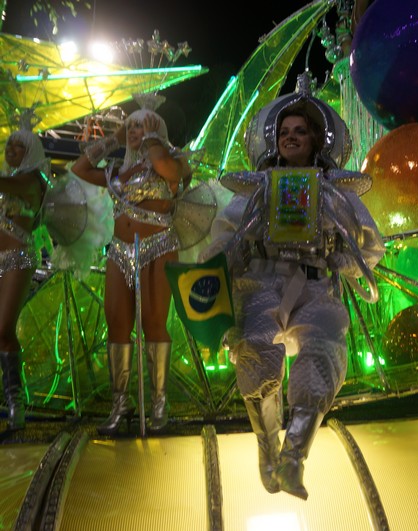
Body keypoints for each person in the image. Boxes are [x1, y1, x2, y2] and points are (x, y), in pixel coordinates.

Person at [201, 75, 385, 500]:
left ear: (316, 138)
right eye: (284, 131)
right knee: (255, 354)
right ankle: (268, 448)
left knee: (322, 352)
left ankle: (293, 458)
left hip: (316, 286)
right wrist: (217, 279)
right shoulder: (257, 189)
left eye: (300, 131)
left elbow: (369, 245)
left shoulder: (336, 193)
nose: (290, 138)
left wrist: (339, 259)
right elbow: (224, 238)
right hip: (262, 281)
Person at [71, 97, 192, 435]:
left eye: (144, 124)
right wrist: (114, 138)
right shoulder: (118, 171)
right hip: (120, 250)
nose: (137, 130)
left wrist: (153, 139)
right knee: (117, 324)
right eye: (133, 126)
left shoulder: (175, 161)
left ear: (158, 129)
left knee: (153, 323)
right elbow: (80, 169)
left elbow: (169, 171)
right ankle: (120, 403)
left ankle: (159, 402)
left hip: (158, 246)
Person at [0, 124, 49, 432]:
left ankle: (15, 403)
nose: (10, 150)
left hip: (19, 259)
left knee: (3, 328)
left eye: (18, 146)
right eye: (8, 145)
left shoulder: (32, 181)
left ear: (30, 152)